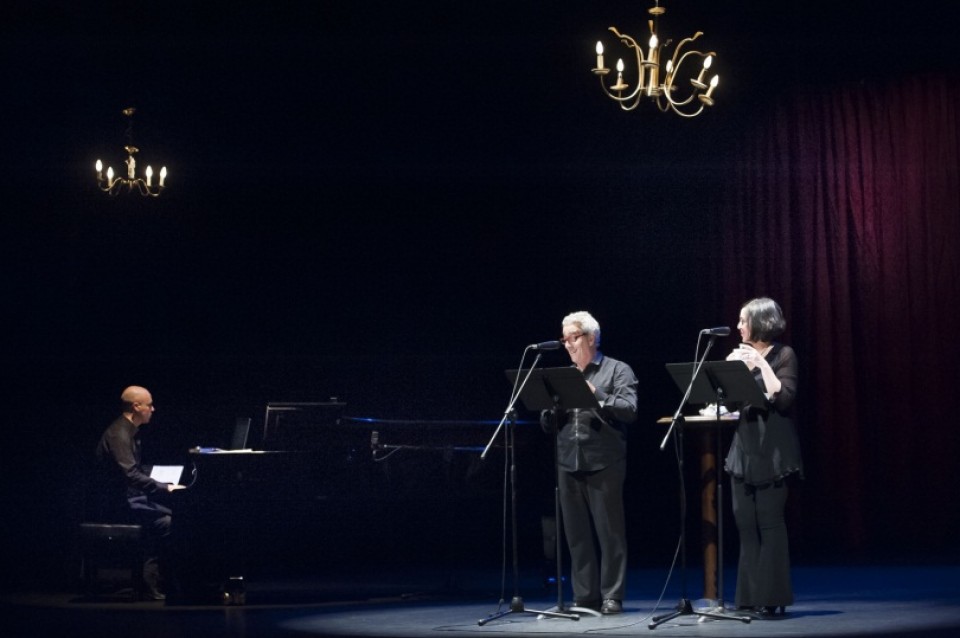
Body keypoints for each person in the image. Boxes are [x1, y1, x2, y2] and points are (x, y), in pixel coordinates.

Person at [541, 311, 638, 615]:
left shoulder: (617, 370)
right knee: (576, 534)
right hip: (568, 459)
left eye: (573, 337)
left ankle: (612, 595)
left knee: (610, 533)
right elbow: (547, 423)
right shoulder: (563, 376)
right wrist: (550, 410)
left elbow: (629, 409)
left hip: (604, 460)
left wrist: (595, 393)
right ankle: (584, 596)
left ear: (591, 338)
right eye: (564, 339)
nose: (568, 344)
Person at [724, 298, 803, 618]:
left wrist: (761, 364)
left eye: (743, 320)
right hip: (744, 449)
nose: (739, 325)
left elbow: (782, 399)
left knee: (769, 524)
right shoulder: (740, 356)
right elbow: (731, 402)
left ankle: (772, 598)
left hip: (774, 451)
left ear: (759, 322)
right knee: (744, 524)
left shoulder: (784, 355)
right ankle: (748, 597)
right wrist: (731, 373)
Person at [95, 385, 184, 600]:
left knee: (172, 514)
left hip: (129, 499)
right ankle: (150, 582)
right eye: (149, 405)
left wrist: (160, 478)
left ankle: (155, 580)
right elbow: (131, 475)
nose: (152, 409)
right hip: (117, 504)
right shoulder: (119, 435)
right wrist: (165, 486)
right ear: (136, 406)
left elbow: (133, 469)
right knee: (167, 522)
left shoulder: (128, 431)